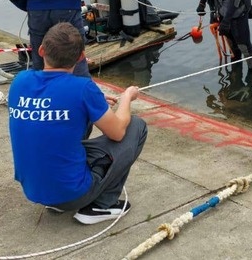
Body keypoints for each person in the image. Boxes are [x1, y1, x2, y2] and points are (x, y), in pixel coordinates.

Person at [8, 22, 148, 224]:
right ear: (82, 56)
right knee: (136, 126)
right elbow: (117, 132)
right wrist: (127, 97)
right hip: (72, 194)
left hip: (33, 189)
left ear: (41, 50)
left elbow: (53, 106)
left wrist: (93, 105)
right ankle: (101, 205)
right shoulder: (82, 88)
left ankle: (55, 199)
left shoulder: (20, 81)